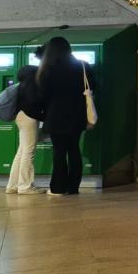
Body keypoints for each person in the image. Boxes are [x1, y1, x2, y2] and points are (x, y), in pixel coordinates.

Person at [37, 37, 95, 196]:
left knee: (59, 151)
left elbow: (42, 95)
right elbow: (92, 88)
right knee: (74, 150)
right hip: (77, 116)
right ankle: (73, 187)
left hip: (55, 116)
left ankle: (58, 188)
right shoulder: (83, 66)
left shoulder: (48, 69)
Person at [6, 48, 46, 195]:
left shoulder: (21, 86)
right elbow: (32, 107)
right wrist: (45, 117)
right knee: (29, 152)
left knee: (21, 151)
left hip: (20, 118)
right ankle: (25, 186)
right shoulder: (31, 86)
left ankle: (13, 185)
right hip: (29, 118)